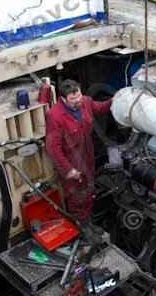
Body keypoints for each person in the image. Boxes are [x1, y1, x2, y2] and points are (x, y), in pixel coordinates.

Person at [45, 79, 112, 222]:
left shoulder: (86, 102)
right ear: (63, 99)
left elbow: (99, 108)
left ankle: (88, 217)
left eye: (79, 96)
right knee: (77, 197)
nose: (77, 101)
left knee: (89, 190)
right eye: (72, 99)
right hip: (71, 161)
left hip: (87, 155)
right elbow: (52, 148)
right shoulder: (55, 116)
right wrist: (69, 170)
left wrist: (116, 99)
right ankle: (81, 226)